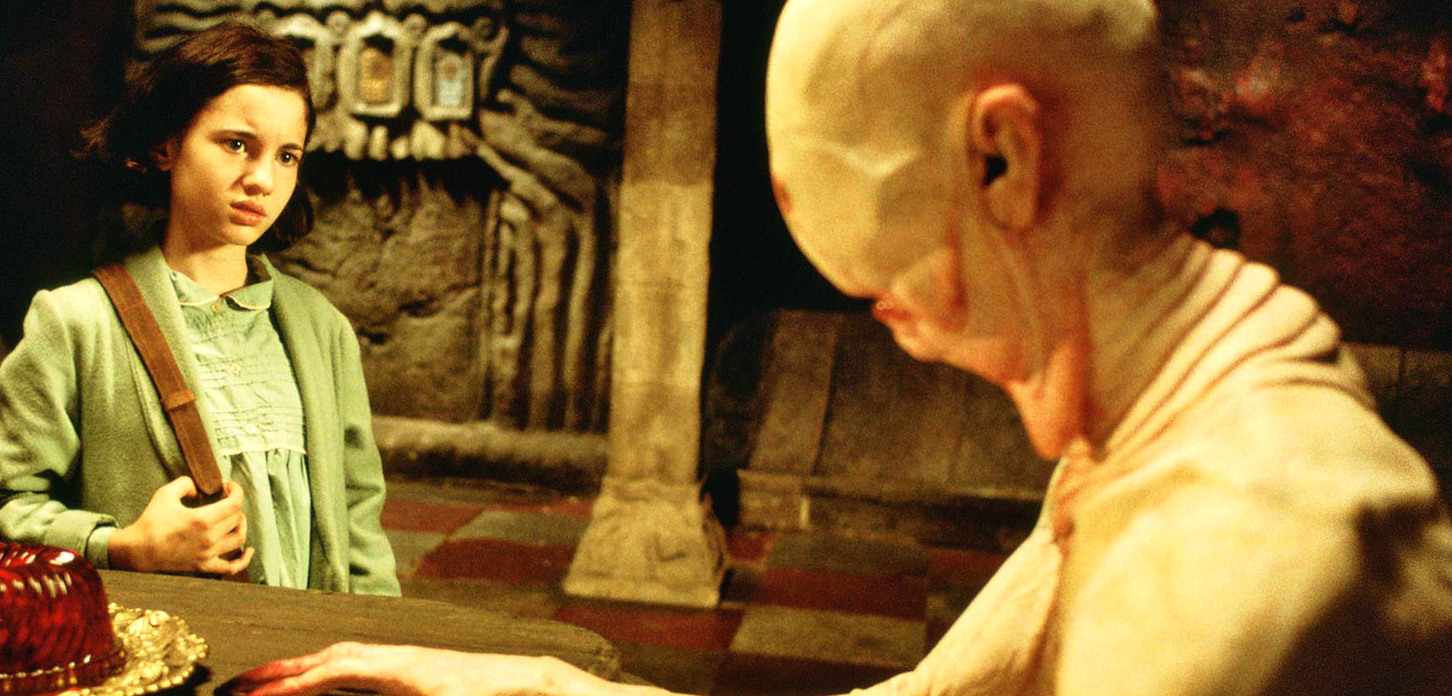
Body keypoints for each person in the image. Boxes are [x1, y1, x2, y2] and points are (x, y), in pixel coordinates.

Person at [226, 0, 1452, 692]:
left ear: (1000, 158)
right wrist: (534, 685)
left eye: (836, 188)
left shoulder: (1232, 572)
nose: (844, 282)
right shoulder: (1139, 437)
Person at [0, 22, 400, 596]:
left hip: (309, 645)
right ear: (167, 146)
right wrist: (122, 546)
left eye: (287, 156)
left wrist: (377, 636)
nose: (262, 179)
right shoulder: (77, 323)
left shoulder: (322, 329)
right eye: (236, 144)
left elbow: (360, 531)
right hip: (159, 639)